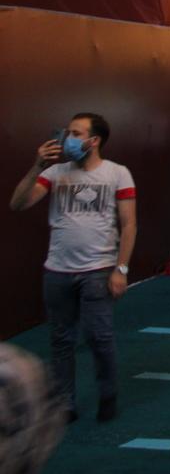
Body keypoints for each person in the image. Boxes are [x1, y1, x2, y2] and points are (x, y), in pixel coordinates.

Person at [10, 112, 136, 423]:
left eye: (76, 133)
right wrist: (37, 165)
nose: (68, 138)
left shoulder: (117, 173)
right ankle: (65, 403)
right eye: (68, 132)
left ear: (94, 140)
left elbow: (129, 223)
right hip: (57, 271)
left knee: (99, 337)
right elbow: (18, 204)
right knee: (61, 339)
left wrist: (121, 269)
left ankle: (108, 394)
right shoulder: (54, 173)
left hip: (98, 269)